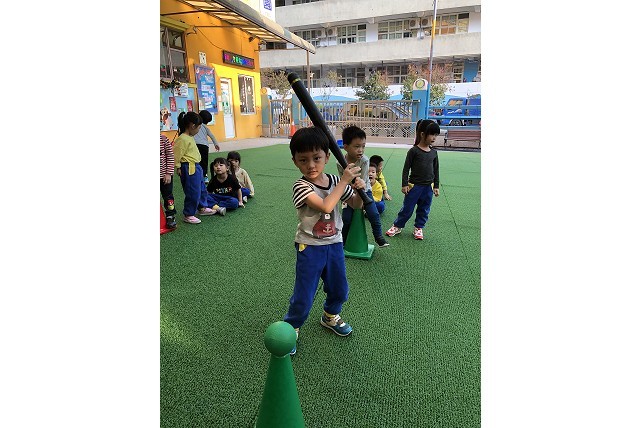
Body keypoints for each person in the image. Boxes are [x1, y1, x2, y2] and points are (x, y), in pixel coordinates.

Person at [285, 126, 366, 356]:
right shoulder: (301, 186)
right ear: (295, 161)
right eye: (303, 160)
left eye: (317, 158)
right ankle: (292, 326)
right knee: (304, 293)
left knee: (339, 288)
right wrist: (345, 181)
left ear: (327, 157)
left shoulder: (333, 180)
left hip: (334, 244)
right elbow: (326, 206)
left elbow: (356, 205)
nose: (311, 165)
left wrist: (360, 189)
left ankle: (330, 316)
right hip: (310, 246)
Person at [385, 119, 441, 240]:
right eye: (432, 134)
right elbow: (406, 169)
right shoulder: (414, 151)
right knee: (407, 208)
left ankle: (418, 227)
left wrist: (436, 186)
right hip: (414, 186)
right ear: (422, 134)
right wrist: (404, 184)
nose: (434, 137)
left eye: (436, 135)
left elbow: (436, 170)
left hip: (428, 187)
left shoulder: (434, 153)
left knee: (424, 209)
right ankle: (397, 226)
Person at [337, 125, 389, 248]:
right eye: (357, 146)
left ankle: (378, 237)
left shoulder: (364, 160)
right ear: (346, 147)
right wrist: (349, 193)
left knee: (373, 213)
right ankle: (342, 241)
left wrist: (361, 198)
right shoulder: (340, 163)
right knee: (347, 218)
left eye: (363, 146)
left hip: (365, 191)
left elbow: (364, 181)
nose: (361, 150)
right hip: (349, 192)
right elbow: (344, 181)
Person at [173, 111, 217, 224]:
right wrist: (178, 167)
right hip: (189, 167)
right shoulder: (182, 139)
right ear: (192, 126)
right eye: (199, 127)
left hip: (196, 167)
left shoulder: (189, 137)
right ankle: (188, 214)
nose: (199, 130)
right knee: (193, 191)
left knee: (201, 189)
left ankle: (202, 207)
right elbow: (176, 155)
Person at [194, 110, 220, 184]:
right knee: (204, 162)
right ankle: (204, 176)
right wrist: (216, 144)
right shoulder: (205, 127)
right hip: (204, 146)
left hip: (195, 145)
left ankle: (196, 175)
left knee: (196, 160)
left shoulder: (195, 125)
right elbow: (212, 136)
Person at [160, 134, 177, 229]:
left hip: (164, 177)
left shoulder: (163, 139)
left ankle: (170, 216)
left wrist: (168, 173)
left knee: (168, 197)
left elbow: (170, 156)